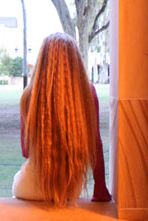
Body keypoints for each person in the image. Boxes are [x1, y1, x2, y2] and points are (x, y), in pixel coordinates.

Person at [12, 32, 112, 206]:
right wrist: (100, 190)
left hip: (28, 187)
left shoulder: (29, 95)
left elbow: (25, 151)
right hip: (67, 190)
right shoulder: (88, 93)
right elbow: (95, 144)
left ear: (42, 60)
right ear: (75, 62)